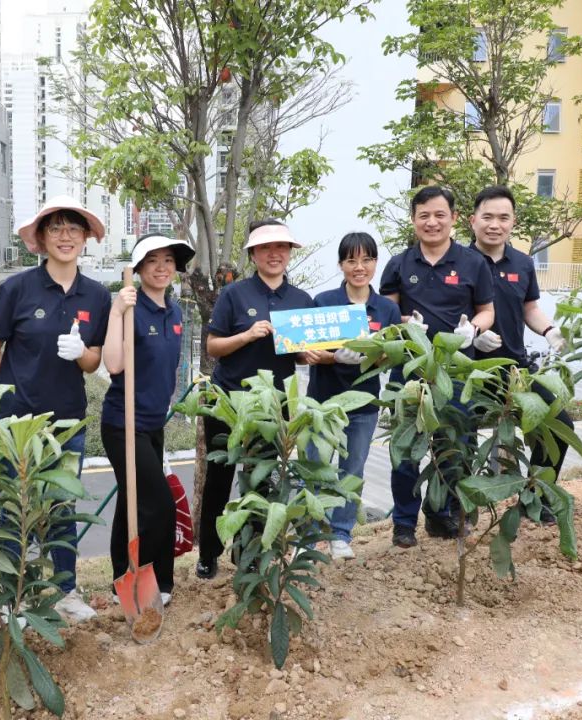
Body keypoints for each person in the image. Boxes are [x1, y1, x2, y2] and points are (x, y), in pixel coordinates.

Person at [0, 195, 112, 622]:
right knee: (11, 507)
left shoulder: (96, 295)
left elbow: (94, 360)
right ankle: (9, 597)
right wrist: (14, 381)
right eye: (55, 228)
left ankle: (64, 592)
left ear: (86, 238)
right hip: (16, 423)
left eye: (74, 228)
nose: (65, 236)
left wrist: (79, 354)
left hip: (67, 422)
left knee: (60, 508)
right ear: (40, 238)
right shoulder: (17, 288)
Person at [196, 219, 314, 579]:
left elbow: (298, 354)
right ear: (253, 255)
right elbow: (213, 347)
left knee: (263, 478)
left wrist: (306, 354)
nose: (274, 254)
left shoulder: (301, 300)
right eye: (265, 248)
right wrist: (247, 336)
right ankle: (209, 553)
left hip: (274, 403)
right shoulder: (235, 294)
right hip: (230, 401)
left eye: (281, 248)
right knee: (219, 476)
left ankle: (248, 550)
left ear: (290, 253)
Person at [379, 186, 496, 549]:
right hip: (410, 371)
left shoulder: (473, 262)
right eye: (424, 215)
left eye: (439, 214)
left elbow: (487, 310)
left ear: (454, 218)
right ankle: (403, 523)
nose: (432, 222)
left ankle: (441, 514)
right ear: (414, 220)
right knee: (406, 447)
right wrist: (404, 323)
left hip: (457, 370)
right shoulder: (399, 264)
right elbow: (385, 314)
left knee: (455, 443)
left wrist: (473, 329)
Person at [468, 185, 572, 522]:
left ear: (513, 222)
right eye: (488, 217)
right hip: (469, 370)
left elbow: (530, 308)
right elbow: (446, 310)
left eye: (503, 217)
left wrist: (550, 330)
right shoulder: (460, 262)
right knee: (458, 434)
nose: (494, 224)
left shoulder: (523, 263)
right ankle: (457, 509)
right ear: (473, 221)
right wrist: (472, 333)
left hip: (515, 368)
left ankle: (535, 498)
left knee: (559, 423)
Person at [102, 233, 195, 605]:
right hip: (123, 423)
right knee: (158, 504)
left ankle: (119, 579)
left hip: (154, 424)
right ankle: (158, 581)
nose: (162, 267)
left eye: (168, 260)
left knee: (131, 500)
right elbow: (113, 364)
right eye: (153, 260)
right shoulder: (130, 308)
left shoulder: (174, 311)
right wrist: (115, 311)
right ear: (138, 268)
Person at [303, 232, 402, 559]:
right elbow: (307, 349)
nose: (359, 267)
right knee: (316, 466)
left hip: (363, 404)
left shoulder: (386, 309)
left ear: (375, 263)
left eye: (367, 259)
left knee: (352, 470)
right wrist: (325, 356)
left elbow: (392, 355)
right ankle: (312, 532)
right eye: (351, 260)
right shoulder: (324, 302)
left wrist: (371, 356)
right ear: (341, 264)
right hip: (323, 403)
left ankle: (341, 535)